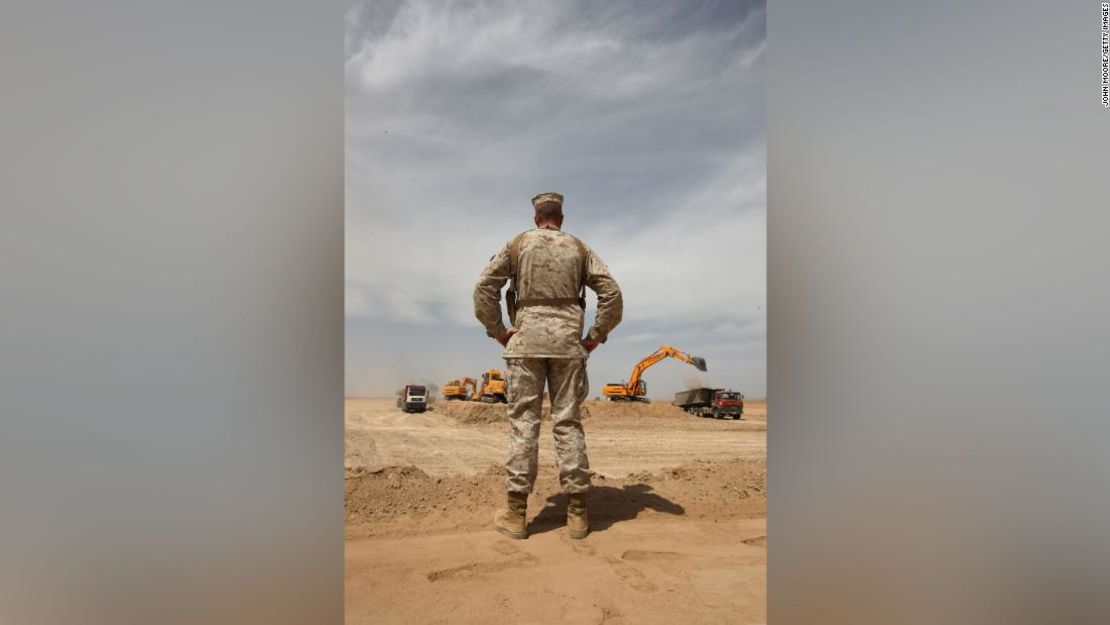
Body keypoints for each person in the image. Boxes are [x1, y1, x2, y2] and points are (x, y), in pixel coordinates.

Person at [473, 191, 623, 539]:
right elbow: (612, 293)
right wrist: (594, 336)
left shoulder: (517, 245)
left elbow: (484, 287)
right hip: (568, 346)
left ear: (536, 218)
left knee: (524, 424)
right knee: (568, 423)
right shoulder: (580, 249)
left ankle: (516, 514)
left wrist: (498, 332)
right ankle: (577, 515)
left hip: (525, 344)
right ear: (561, 218)